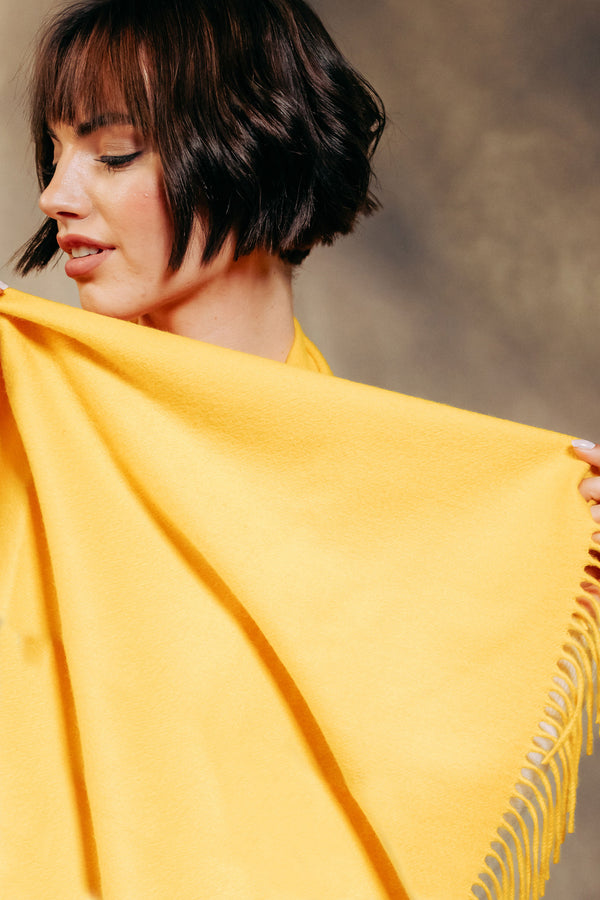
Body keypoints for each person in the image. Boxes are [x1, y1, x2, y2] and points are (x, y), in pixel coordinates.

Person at [2, 1, 600, 898]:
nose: (55, 195)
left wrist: (544, 541)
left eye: (112, 153)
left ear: (253, 150)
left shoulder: (397, 501)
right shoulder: (24, 399)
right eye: (55, 155)